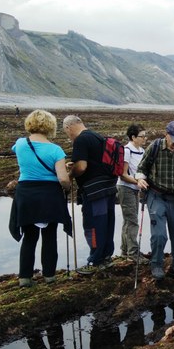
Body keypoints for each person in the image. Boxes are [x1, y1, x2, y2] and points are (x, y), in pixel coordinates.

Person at [9, 109, 72, 287]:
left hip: (26, 193)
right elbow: (62, 178)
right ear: (50, 126)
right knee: (49, 236)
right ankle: (49, 276)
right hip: (49, 194)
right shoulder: (56, 150)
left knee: (29, 237)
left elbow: (23, 158)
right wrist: (67, 184)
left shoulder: (20, 144)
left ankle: (24, 278)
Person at [135, 121, 174, 280]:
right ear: (167, 135)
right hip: (156, 196)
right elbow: (141, 168)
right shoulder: (155, 147)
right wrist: (140, 180)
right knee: (159, 235)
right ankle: (156, 265)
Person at [64, 115, 116, 275]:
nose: (68, 135)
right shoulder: (97, 136)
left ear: (69, 127)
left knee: (93, 225)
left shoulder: (80, 140)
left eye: (66, 132)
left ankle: (95, 260)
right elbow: (95, 161)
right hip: (109, 188)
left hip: (94, 192)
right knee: (107, 223)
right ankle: (106, 256)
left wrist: (70, 175)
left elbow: (81, 167)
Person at [117, 124, 148, 264]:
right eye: (142, 136)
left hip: (134, 188)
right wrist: (138, 182)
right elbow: (122, 175)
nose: (145, 139)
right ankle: (133, 253)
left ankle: (125, 249)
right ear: (133, 137)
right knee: (132, 221)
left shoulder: (141, 150)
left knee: (129, 220)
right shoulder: (126, 150)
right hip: (126, 188)